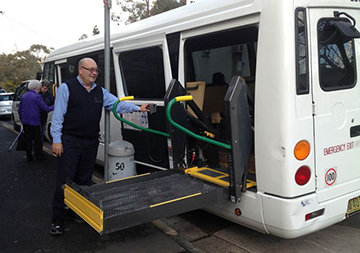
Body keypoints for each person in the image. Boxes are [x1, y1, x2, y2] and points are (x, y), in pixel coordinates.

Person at [49, 57, 150, 235]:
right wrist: (56, 140)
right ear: (80, 70)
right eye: (90, 69)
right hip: (70, 142)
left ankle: (76, 212)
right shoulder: (67, 88)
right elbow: (58, 116)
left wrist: (137, 108)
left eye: (96, 70)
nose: (94, 73)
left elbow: (116, 104)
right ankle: (57, 220)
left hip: (90, 143)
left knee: (84, 181)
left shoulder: (99, 92)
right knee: (65, 182)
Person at [18, 80, 54, 162]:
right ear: (36, 88)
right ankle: (38, 155)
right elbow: (45, 108)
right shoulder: (37, 97)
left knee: (28, 139)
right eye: (39, 87)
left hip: (26, 121)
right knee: (37, 139)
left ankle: (29, 156)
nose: (39, 89)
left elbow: (20, 109)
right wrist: (55, 106)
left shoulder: (24, 96)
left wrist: (22, 119)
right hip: (35, 121)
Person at [39, 80, 54, 151]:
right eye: (44, 88)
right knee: (38, 135)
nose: (46, 90)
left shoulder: (49, 95)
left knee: (42, 134)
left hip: (44, 117)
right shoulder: (38, 95)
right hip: (37, 117)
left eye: (47, 88)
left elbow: (52, 102)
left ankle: (40, 150)